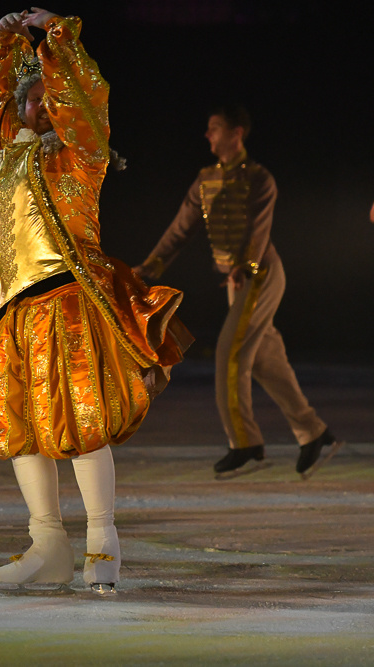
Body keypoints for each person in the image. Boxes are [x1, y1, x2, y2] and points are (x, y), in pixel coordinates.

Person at [0, 9, 190, 594]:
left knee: (81, 424)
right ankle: (47, 542)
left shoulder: (79, 156)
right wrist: (4, 40)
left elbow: (86, 100)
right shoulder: (10, 155)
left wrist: (57, 36)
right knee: (19, 427)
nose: (45, 106)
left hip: (68, 303)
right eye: (35, 98)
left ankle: (104, 540)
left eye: (55, 99)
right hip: (17, 309)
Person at [133, 104, 341, 481]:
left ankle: (244, 443)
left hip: (260, 274)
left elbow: (259, 233)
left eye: (215, 128)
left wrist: (246, 267)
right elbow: (180, 230)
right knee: (265, 360)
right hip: (238, 281)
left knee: (230, 356)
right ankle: (315, 434)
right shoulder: (205, 180)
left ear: (236, 133)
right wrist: (148, 268)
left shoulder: (261, 179)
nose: (208, 135)